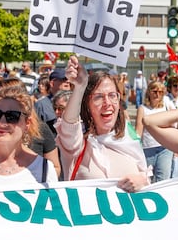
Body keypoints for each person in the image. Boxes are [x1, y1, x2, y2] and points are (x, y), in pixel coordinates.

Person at [56, 56, 149, 193]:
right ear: (87, 105)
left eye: (112, 95)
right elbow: (69, 125)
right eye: (98, 97)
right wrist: (80, 87)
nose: (107, 104)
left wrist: (142, 181)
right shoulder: (77, 144)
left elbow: (147, 180)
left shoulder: (129, 140)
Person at [0, 78, 62, 178]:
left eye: (12, 116)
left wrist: (32, 180)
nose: (2, 122)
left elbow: (55, 168)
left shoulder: (41, 129)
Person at [135, 81, 173, 182]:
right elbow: (138, 131)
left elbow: (173, 126)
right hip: (148, 149)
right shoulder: (142, 109)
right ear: (149, 92)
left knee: (163, 180)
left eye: (160, 92)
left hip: (165, 149)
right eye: (155, 91)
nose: (157, 94)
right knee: (146, 180)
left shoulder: (166, 107)